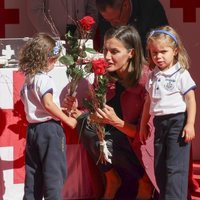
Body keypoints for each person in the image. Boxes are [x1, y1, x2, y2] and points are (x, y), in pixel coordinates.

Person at [66, 25, 157, 199]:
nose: (107, 57)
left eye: (114, 51)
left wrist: (116, 122)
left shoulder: (147, 82)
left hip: (141, 149)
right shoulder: (105, 77)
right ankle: (111, 178)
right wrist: (78, 110)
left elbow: (150, 136)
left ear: (131, 53)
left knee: (108, 135)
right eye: (105, 50)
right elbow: (93, 112)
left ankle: (145, 182)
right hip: (116, 142)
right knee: (85, 122)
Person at [139, 25, 197, 199]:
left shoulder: (181, 73)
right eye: (154, 52)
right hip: (159, 124)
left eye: (163, 51)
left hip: (177, 123)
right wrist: (143, 126)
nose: (158, 56)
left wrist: (190, 123)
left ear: (175, 51)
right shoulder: (153, 76)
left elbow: (190, 99)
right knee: (160, 167)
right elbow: (148, 101)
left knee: (175, 168)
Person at [19, 33, 77, 200]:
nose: (55, 63)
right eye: (54, 59)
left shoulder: (28, 80)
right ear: (48, 58)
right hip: (50, 130)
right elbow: (48, 104)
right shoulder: (44, 79)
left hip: (33, 130)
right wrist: (68, 120)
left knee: (33, 176)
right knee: (54, 174)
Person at [95, 0, 168, 51]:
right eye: (108, 20)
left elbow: (161, 44)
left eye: (116, 20)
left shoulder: (151, 9)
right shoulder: (106, 14)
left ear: (126, 5)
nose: (112, 24)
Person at [26, 0, 98, 38]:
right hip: (50, 35)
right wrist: (53, 37)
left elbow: (93, 11)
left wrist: (85, 35)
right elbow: (34, 11)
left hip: (79, 35)